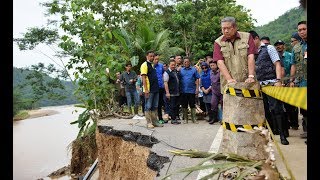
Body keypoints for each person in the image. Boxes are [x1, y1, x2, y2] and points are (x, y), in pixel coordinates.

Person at [249, 30, 289, 145]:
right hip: (260, 86)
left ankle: (282, 136)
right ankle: (270, 136)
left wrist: (278, 80)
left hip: (272, 84)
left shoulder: (269, 48)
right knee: (265, 112)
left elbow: (277, 64)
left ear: (257, 38)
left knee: (277, 110)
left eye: (251, 41)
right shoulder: (252, 53)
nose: (249, 44)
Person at [213, 16, 256, 94]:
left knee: (250, 104)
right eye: (223, 28)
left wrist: (251, 76)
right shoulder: (218, 42)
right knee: (231, 105)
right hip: (229, 84)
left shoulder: (247, 37)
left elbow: (251, 56)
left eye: (228, 28)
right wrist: (229, 79)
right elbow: (220, 62)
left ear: (235, 27)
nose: (226, 31)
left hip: (248, 81)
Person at [274, 39, 299, 130]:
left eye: (280, 44)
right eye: (277, 45)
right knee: (281, 105)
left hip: (289, 82)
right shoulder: (274, 57)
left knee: (292, 104)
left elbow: (294, 67)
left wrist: (292, 80)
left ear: (284, 46)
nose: (278, 46)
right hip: (279, 84)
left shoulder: (290, 55)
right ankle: (286, 124)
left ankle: (295, 124)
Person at [291, 21, 307, 143]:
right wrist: (292, 80)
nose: (301, 32)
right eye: (299, 30)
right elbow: (293, 65)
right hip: (302, 83)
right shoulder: (296, 48)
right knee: (304, 110)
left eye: (304, 29)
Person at [140, 50, 163, 128]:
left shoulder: (153, 65)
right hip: (149, 90)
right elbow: (143, 78)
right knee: (148, 106)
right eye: (150, 56)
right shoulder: (144, 65)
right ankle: (148, 122)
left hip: (155, 89)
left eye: (153, 56)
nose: (152, 57)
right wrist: (146, 89)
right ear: (147, 56)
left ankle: (154, 121)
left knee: (155, 106)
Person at [179, 57, 200, 124]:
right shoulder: (181, 70)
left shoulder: (194, 70)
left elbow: (197, 79)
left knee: (192, 105)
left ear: (189, 62)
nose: (186, 63)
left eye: (187, 62)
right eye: (185, 62)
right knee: (184, 105)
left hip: (191, 90)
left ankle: (194, 119)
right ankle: (185, 119)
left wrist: (197, 89)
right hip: (183, 90)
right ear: (183, 63)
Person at [163, 60, 181, 124]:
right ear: (169, 65)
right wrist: (167, 93)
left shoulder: (175, 72)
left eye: (174, 65)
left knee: (176, 106)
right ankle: (173, 120)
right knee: (172, 106)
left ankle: (175, 118)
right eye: (172, 65)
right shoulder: (167, 73)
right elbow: (165, 83)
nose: (173, 66)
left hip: (176, 92)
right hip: (171, 92)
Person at [153, 53, 166, 124]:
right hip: (153, 88)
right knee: (154, 104)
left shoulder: (161, 66)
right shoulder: (150, 66)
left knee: (160, 104)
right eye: (155, 59)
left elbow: (164, 74)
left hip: (161, 87)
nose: (157, 60)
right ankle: (154, 119)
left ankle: (160, 118)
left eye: (158, 59)